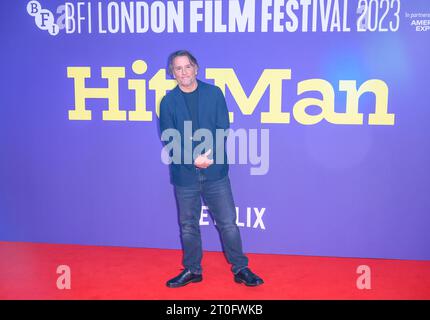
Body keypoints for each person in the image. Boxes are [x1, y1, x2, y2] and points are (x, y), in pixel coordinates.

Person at [159, 50, 264, 288]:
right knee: (188, 225)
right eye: (178, 68)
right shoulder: (167, 101)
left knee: (228, 222)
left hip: (215, 172)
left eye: (187, 67)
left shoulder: (214, 93)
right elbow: (169, 137)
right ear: (172, 73)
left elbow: (222, 127)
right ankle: (193, 270)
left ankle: (241, 268)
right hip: (185, 174)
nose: (183, 72)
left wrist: (209, 155)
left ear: (196, 68)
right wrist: (192, 158)